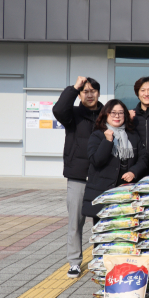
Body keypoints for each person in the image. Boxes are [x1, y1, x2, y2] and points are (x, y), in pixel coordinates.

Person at [53, 76, 104, 279]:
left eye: (93, 91)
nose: (89, 94)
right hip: (78, 176)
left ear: (99, 93)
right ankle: (74, 262)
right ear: (80, 94)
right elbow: (58, 109)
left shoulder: (106, 114)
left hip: (101, 176)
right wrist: (73, 87)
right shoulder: (72, 114)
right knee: (75, 222)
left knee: (101, 221)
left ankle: (100, 258)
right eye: (85, 91)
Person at [81, 100, 149, 225]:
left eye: (120, 113)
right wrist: (108, 141)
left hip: (126, 192)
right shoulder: (97, 135)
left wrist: (134, 172)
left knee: (123, 233)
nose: (117, 116)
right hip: (103, 192)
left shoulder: (132, 136)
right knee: (103, 235)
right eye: (113, 113)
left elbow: (143, 158)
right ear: (106, 114)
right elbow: (96, 160)